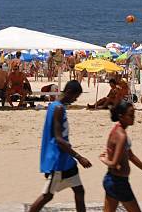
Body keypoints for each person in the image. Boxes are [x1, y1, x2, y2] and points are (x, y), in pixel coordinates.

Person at [29, 80, 92, 212]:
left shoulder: (57, 107)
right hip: (58, 160)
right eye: (75, 96)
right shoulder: (58, 108)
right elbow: (58, 139)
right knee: (47, 196)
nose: (75, 100)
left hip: (67, 161)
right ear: (69, 92)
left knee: (79, 191)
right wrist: (79, 157)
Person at [100, 101, 142, 212]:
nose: (133, 117)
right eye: (131, 115)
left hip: (111, 179)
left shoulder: (117, 130)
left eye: (134, 114)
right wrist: (104, 159)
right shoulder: (121, 135)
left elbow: (131, 156)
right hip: (118, 182)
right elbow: (114, 164)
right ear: (121, 116)